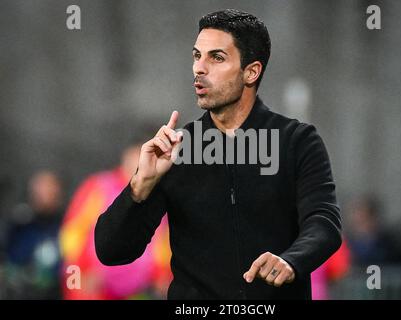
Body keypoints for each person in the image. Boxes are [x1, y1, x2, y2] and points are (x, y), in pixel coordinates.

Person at [95, 9, 342, 299]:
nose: (199, 68)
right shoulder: (178, 149)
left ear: (251, 72)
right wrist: (139, 186)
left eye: (217, 58)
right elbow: (112, 252)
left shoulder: (296, 141)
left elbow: (324, 223)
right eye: (197, 56)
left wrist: (291, 260)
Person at [59, 142, 172, 299]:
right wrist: (82, 271)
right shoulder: (99, 186)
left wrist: (162, 275)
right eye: (140, 154)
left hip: (138, 291)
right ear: (127, 155)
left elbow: (163, 244)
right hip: (94, 288)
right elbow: (72, 233)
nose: (144, 161)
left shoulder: (160, 195)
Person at [5, 170, 63, 299]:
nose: (46, 195)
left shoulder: (66, 225)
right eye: (41, 190)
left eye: (50, 190)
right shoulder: (19, 223)